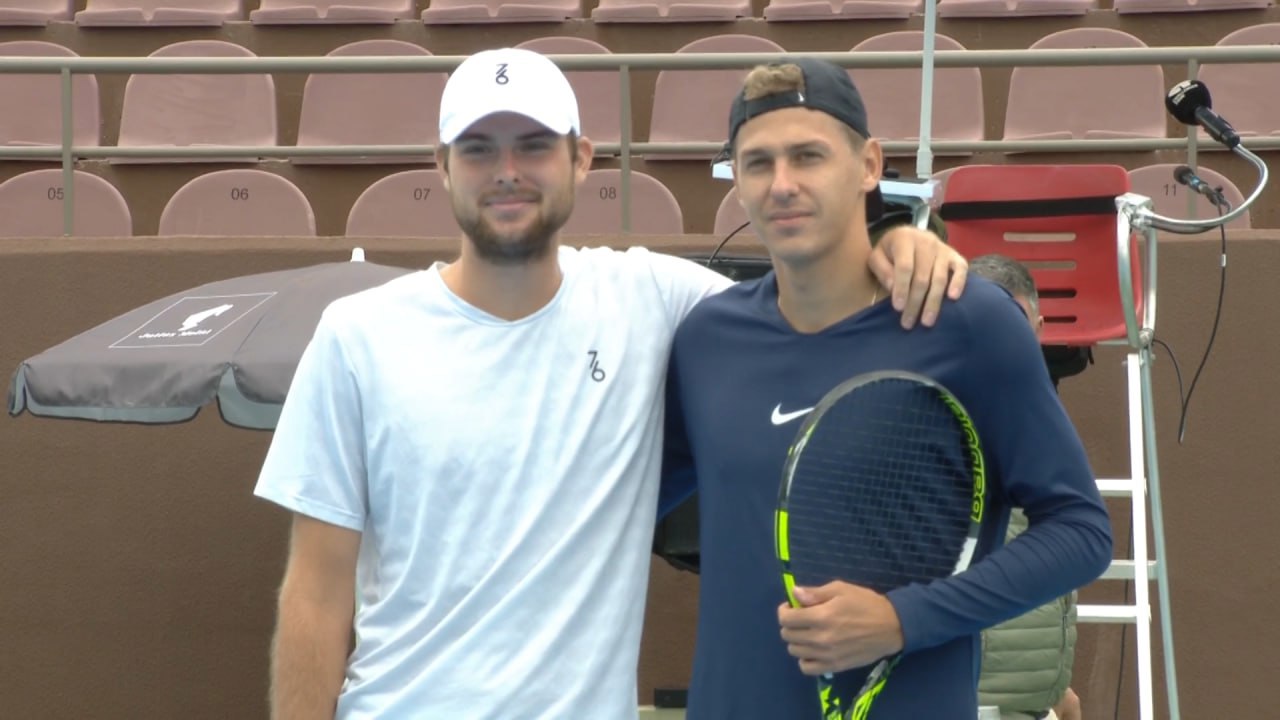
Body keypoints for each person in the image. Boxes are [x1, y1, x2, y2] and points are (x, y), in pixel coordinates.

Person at [251, 47, 970, 720]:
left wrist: (891, 241)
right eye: (478, 149)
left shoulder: (652, 300)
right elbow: (315, 594)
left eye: (533, 145)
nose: (507, 169)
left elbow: (804, 299)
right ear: (441, 166)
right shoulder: (357, 335)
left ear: (582, 159)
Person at [660, 57, 1113, 719]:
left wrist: (905, 619)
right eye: (756, 163)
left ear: (869, 165)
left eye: (808, 156)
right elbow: (625, 503)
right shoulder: (706, 339)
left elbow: (1080, 532)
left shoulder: (967, 323)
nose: (781, 184)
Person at [969, 254, 1083, 720]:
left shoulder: (1041, 426)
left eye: (1014, 328)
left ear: (1038, 328)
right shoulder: (933, 421)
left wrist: (1057, 694)